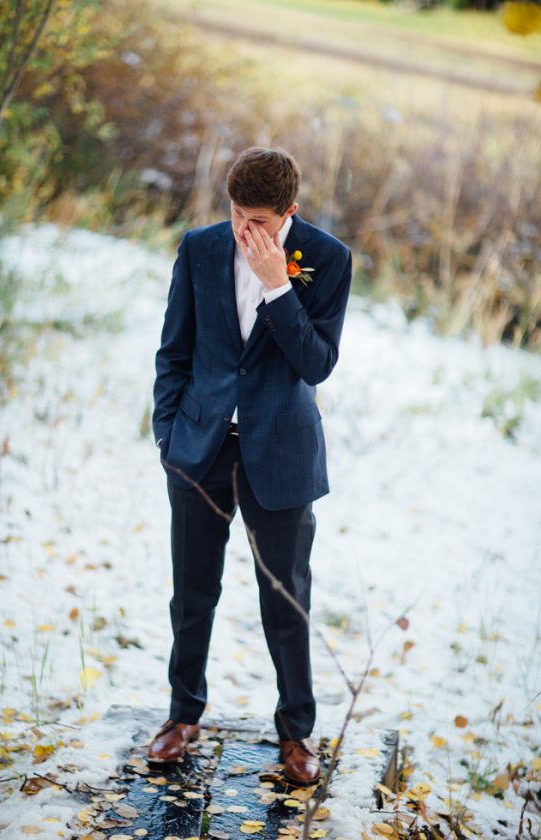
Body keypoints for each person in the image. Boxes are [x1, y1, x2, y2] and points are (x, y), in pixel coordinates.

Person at [148, 147, 352, 784]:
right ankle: (183, 716)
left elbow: (316, 363)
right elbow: (173, 351)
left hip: (282, 453)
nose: (245, 230)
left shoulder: (328, 259)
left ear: (289, 211)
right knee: (193, 593)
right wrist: (169, 438)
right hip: (201, 447)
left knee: (286, 598)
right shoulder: (201, 248)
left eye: (259, 220)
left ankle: (296, 734)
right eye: (237, 213)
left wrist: (277, 285)